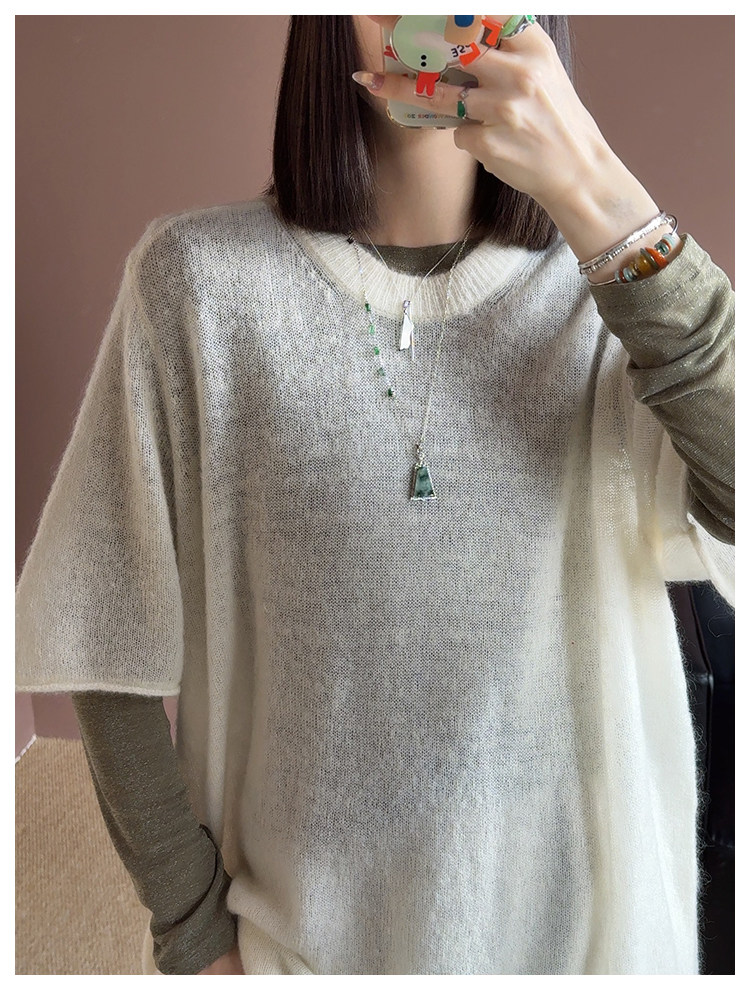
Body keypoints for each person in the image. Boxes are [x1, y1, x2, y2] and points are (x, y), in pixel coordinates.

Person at [15, 14, 734, 976]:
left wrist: (603, 198)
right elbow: (101, 632)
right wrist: (192, 930)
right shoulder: (197, 286)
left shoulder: (618, 295)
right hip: (308, 944)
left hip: (591, 943)